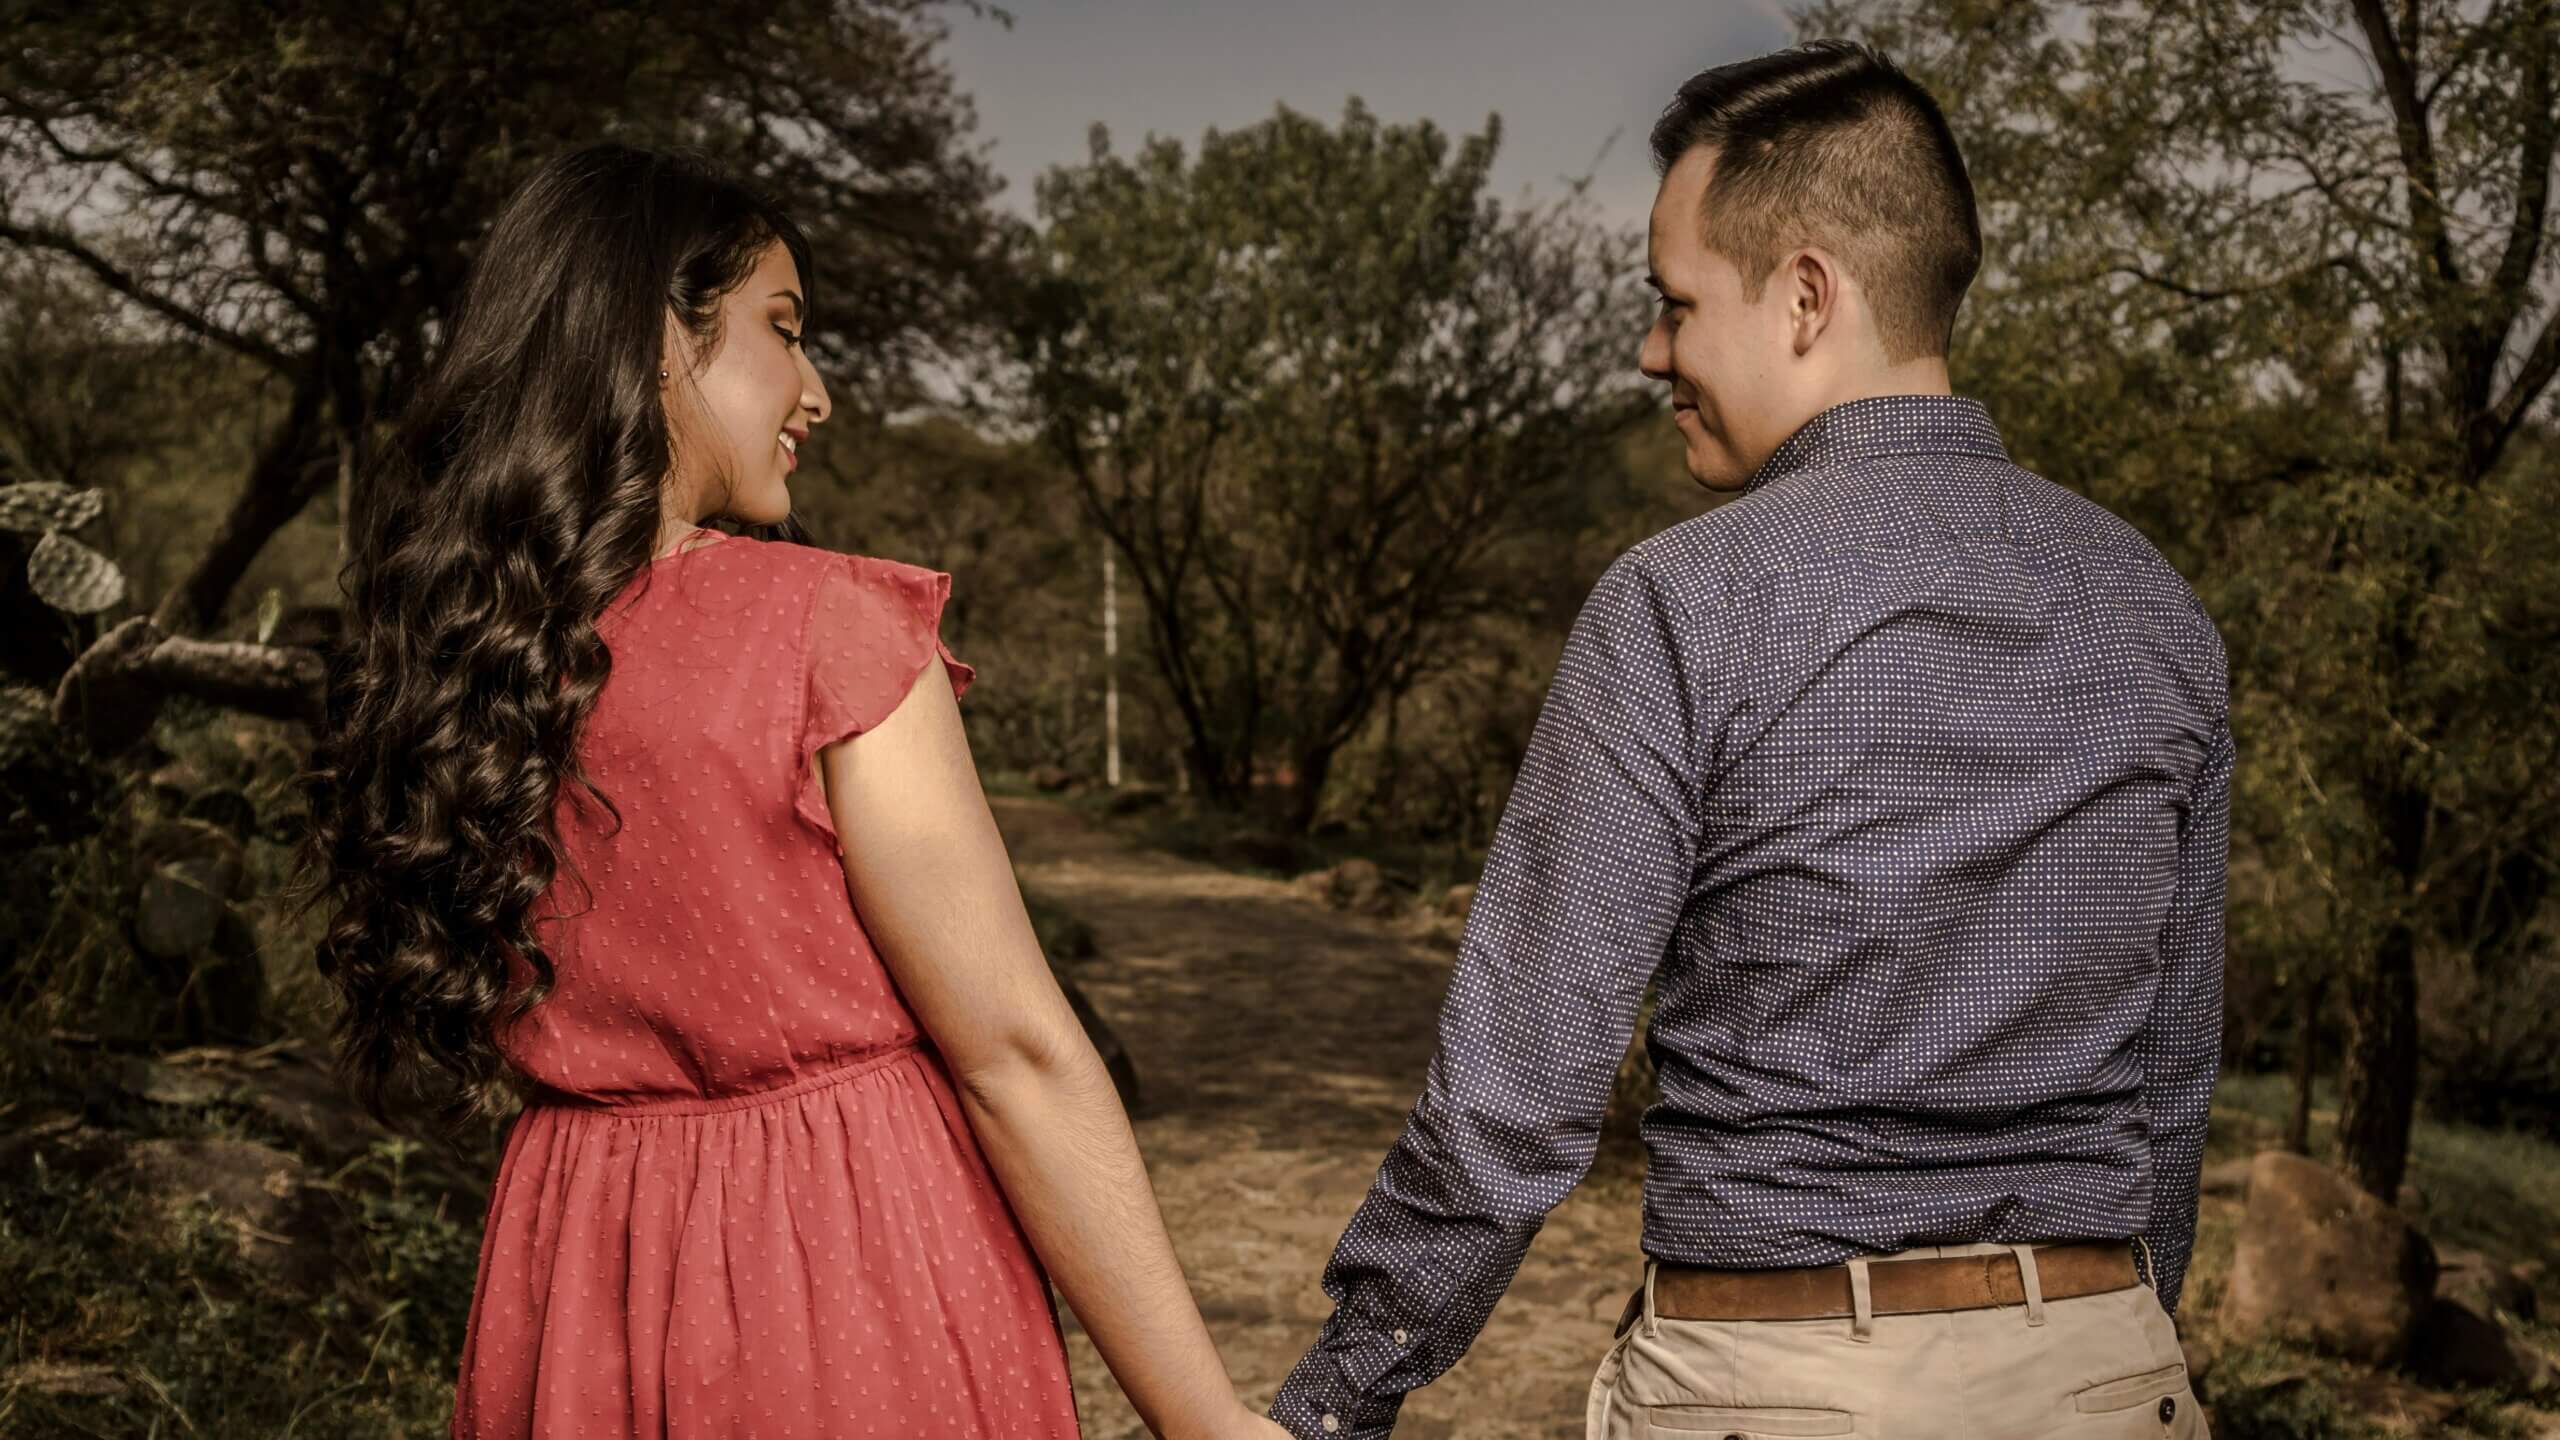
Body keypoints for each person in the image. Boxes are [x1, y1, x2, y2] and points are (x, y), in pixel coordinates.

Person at [1267, 41, 2228, 1440]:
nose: (1652, 351)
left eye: (1675, 304)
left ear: (1805, 296)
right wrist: (2118, 1347)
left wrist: (1337, 1401)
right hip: (2109, 1377)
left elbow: (1518, 1098)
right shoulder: (2155, 606)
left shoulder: (1682, 601)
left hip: (1776, 1386)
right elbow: (2173, 1085)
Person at [295, 142, 1287, 1440]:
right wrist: (1206, 1417)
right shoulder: (824, 629)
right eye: (783, 329)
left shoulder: (461, 659)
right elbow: (1017, 1057)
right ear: (658, 338)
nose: (815, 392)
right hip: (843, 1261)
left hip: (579, 1268)